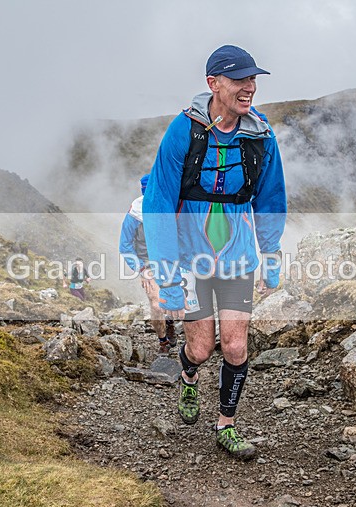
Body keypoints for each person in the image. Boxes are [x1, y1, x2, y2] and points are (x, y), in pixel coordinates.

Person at [143, 45, 287, 460]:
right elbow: (158, 206)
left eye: (253, 79)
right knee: (203, 349)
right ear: (213, 84)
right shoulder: (182, 133)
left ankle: (226, 424)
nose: (250, 88)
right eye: (240, 80)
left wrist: (272, 253)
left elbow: (271, 197)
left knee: (236, 347)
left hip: (238, 258)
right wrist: (167, 277)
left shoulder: (260, 136)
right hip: (190, 261)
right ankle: (188, 374)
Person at [119, 174, 178, 354]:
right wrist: (141, 269)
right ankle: (163, 342)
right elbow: (125, 246)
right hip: (148, 264)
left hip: (170, 261)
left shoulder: (171, 206)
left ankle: (169, 322)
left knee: (173, 299)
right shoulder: (134, 214)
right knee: (156, 303)